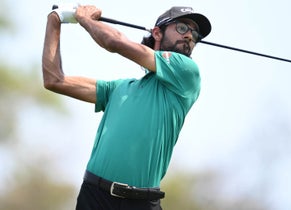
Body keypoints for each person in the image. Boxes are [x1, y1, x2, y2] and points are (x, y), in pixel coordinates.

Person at [42, 4, 211, 210]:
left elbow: (114, 42)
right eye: (183, 28)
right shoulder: (118, 88)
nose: (190, 37)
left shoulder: (188, 73)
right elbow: (54, 80)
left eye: (195, 34)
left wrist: (85, 19)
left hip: (141, 203)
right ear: (157, 32)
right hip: (94, 197)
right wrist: (55, 20)